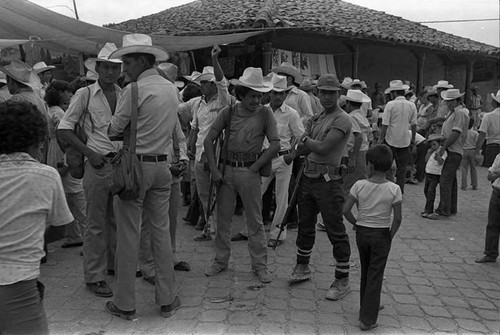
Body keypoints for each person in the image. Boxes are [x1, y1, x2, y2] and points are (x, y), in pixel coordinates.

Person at [106, 33, 180, 319]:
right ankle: (167, 299)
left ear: (140, 60)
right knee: (160, 234)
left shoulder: (133, 90)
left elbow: (114, 128)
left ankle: (124, 303)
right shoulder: (171, 89)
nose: (123, 68)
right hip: (163, 166)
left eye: (126, 61)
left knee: (128, 236)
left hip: (135, 168)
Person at [0, 100, 73, 335]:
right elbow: (61, 228)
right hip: (19, 285)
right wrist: (32, 238)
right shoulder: (46, 176)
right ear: (37, 141)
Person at [57, 43, 122, 297]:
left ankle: (113, 266)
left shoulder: (123, 92)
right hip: (97, 164)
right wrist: (90, 154)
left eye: (115, 67)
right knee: (95, 223)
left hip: (118, 164)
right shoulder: (84, 94)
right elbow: (64, 128)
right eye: (106, 67)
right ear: (98, 68)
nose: (111, 72)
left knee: (115, 219)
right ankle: (95, 276)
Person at [203, 67, 279, 283]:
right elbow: (209, 140)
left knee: (255, 220)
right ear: (242, 94)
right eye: (253, 95)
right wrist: (215, 170)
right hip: (226, 171)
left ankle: (260, 265)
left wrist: (256, 167)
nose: (257, 100)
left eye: (260, 95)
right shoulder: (229, 112)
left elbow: (275, 144)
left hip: (249, 172)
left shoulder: (266, 114)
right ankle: (220, 261)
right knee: (223, 219)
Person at [286, 74, 352, 302]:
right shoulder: (317, 117)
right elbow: (301, 147)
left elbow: (323, 148)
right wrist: (304, 143)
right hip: (308, 176)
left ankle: (342, 278)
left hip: (328, 180)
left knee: (335, 229)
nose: (326, 96)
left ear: (339, 94)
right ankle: (302, 266)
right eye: (322, 92)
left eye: (331, 92)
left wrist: (305, 141)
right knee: (305, 225)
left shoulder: (342, 119)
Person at [232, 74, 304, 247]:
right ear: (269, 93)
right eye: (275, 93)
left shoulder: (291, 114)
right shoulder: (261, 110)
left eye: (282, 93)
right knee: (254, 195)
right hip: (264, 158)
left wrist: (292, 156)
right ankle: (247, 230)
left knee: (281, 198)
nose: (278, 96)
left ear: (286, 95)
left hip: (283, 158)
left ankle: (277, 234)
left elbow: (301, 137)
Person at [343, 144, 402, 331]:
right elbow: (398, 218)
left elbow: (345, 210)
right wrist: (389, 236)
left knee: (367, 270)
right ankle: (367, 319)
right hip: (381, 234)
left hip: (363, 233)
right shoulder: (394, 189)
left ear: (369, 165)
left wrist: (356, 223)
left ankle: (368, 305)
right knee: (376, 274)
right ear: (389, 166)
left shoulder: (359, 185)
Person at [181, 46, 232, 241]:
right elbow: (195, 127)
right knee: (203, 194)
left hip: (217, 154)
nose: (201, 85)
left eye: (205, 82)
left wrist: (215, 60)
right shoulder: (199, 103)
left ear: (213, 85)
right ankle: (209, 228)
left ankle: (217, 230)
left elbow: (222, 84)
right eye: (201, 82)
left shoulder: (222, 100)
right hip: (201, 152)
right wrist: (190, 146)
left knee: (217, 194)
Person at [428, 89, 469, 220]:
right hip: (452, 149)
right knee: (451, 181)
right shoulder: (454, 113)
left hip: (453, 149)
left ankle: (443, 210)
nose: (449, 103)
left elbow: (455, 133)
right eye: (448, 101)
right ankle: (451, 207)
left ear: (457, 101)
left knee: (445, 179)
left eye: (451, 101)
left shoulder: (460, 113)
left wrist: (443, 147)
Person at [378, 80, 417, 193]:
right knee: (402, 167)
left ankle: (388, 187)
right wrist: (413, 139)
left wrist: (381, 139)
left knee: (387, 164)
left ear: (393, 93)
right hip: (405, 139)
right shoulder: (411, 105)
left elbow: (385, 124)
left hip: (390, 139)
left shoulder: (390, 105)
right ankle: (399, 190)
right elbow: (414, 124)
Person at [343, 89, 371, 195]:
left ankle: (344, 209)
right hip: (363, 152)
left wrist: (353, 158)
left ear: (348, 103)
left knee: (346, 187)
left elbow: (358, 137)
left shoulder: (351, 117)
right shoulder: (361, 116)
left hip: (355, 153)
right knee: (361, 185)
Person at [475, 153, 500, 263]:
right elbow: (489, 176)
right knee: (492, 224)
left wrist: (497, 173)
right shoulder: (499, 156)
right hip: (497, 191)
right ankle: (490, 253)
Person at [421, 134, 447, 218]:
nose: (432, 146)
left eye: (434, 144)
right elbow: (426, 160)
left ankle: (429, 210)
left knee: (430, 191)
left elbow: (440, 162)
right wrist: (428, 153)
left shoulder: (443, 152)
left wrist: (438, 154)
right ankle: (428, 207)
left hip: (435, 174)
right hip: (428, 172)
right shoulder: (430, 151)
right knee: (426, 190)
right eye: (431, 145)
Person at [476, 90, 500, 168]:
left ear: (494, 102)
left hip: (493, 146)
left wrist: (476, 151)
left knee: (493, 173)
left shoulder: (488, 116)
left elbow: (482, 135)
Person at [461, 118, 478, 190]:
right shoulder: (475, 133)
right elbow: (477, 142)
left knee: (464, 169)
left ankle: (464, 185)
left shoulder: (462, 132)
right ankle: (474, 184)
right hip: (472, 150)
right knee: (473, 168)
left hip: (464, 150)